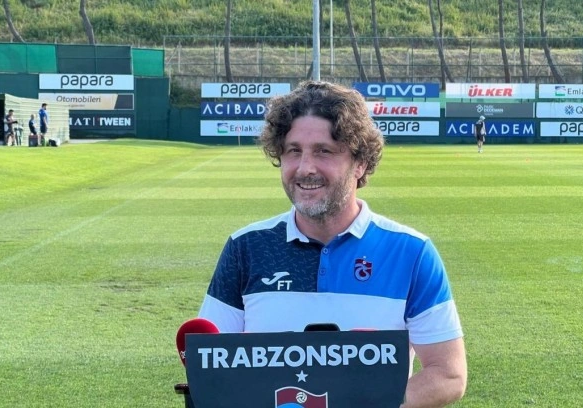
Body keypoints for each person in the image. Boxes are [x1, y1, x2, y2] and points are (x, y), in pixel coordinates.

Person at [197, 81, 467, 407]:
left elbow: (448, 374)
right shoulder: (245, 248)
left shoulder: (411, 252)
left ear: (360, 163)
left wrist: (364, 403)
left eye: (323, 151)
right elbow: (211, 369)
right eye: (293, 151)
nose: (305, 168)